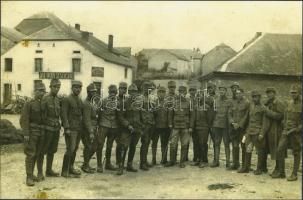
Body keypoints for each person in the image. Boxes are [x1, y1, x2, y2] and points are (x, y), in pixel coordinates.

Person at [20, 82, 46, 186]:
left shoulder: (43, 103)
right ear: (35, 91)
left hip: (41, 132)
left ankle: (35, 174)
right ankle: (29, 177)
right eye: (40, 90)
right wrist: (26, 133)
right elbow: (24, 119)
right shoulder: (29, 103)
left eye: (43, 91)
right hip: (32, 133)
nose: (42, 93)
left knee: (39, 153)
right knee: (30, 154)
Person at [275, 85, 302, 181]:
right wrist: (285, 126)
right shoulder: (289, 103)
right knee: (279, 150)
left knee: (296, 152)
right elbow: (285, 117)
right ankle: (281, 172)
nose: (293, 94)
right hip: (286, 131)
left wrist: (295, 130)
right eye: (291, 92)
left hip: (296, 133)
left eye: (295, 92)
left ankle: (294, 174)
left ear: (299, 93)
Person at [238, 90, 267, 174]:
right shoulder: (251, 106)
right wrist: (246, 131)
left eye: (256, 97)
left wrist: (262, 133)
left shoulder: (263, 108)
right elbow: (248, 119)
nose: (254, 99)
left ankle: (259, 168)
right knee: (248, 149)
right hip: (249, 131)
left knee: (259, 151)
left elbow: (265, 122)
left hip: (257, 132)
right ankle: (246, 167)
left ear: (259, 97)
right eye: (253, 97)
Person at [165, 85, 194, 168]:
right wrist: (170, 123)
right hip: (175, 126)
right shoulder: (174, 102)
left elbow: (192, 115)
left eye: (183, 91)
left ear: (186, 92)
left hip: (185, 126)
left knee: (184, 144)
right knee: (173, 144)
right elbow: (170, 114)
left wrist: (191, 126)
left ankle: (182, 162)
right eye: (180, 91)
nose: (181, 93)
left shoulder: (189, 102)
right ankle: (172, 160)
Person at [118, 84, 144, 174]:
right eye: (131, 92)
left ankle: (129, 165)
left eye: (135, 92)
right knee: (124, 147)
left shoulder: (139, 103)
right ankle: (121, 167)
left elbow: (141, 115)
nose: (133, 94)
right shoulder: (124, 103)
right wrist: (128, 125)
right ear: (128, 92)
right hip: (127, 129)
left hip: (137, 129)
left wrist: (142, 126)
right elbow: (121, 117)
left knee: (133, 147)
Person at [39, 79, 62, 179]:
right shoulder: (45, 98)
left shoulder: (57, 99)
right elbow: (42, 115)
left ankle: (49, 170)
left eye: (58, 87)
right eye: (55, 87)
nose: (57, 89)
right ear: (50, 87)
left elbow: (58, 114)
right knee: (42, 150)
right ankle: (40, 172)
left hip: (56, 128)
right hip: (47, 128)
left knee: (52, 150)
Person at [61, 80, 83, 178]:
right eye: (76, 87)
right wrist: (66, 128)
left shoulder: (79, 99)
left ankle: (71, 167)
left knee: (75, 149)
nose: (78, 89)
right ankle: (65, 171)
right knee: (70, 149)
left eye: (79, 88)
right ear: (72, 88)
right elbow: (64, 114)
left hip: (78, 128)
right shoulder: (67, 99)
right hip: (71, 129)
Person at [97, 84, 120, 172]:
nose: (113, 94)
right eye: (111, 92)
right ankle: (99, 165)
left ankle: (108, 163)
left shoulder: (118, 103)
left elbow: (119, 115)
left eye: (114, 92)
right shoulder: (103, 101)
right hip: (103, 126)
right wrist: (99, 123)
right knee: (100, 145)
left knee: (109, 146)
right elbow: (98, 112)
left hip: (113, 127)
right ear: (108, 92)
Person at [263, 87, 285, 176]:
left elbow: (280, 116)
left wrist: (268, 112)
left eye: (271, 93)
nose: (269, 95)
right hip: (271, 129)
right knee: (275, 150)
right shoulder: (269, 103)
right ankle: (277, 169)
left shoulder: (279, 102)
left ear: (274, 93)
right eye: (268, 93)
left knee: (279, 150)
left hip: (278, 130)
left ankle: (281, 171)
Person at [228, 88, 250, 170]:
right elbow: (229, 113)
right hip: (234, 128)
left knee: (243, 145)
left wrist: (240, 124)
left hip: (242, 128)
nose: (238, 95)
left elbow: (246, 116)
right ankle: (235, 163)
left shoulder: (247, 103)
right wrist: (232, 123)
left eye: (239, 93)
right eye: (236, 94)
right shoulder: (233, 102)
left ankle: (244, 165)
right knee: (235, 145)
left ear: (243, 94)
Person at [210, 84, 232, 168]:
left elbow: (230, 114)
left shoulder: (229, 102)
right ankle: (216, 161)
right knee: (216, 143)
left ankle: (228, 162)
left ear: (226, 91)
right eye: (220, 90)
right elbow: (213, 113)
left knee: (226, 144)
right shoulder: (216, 100)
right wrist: (212, 124)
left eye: (223, 90)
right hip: (216, 125)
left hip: (225, 126)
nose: (222, 91)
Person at [81, 83, 98, 173]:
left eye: (95, 91)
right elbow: (86, 119)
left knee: (94, 147)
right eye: (92, 92)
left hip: (93, 128)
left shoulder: (92, 102)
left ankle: (85, 163)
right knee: (88, 147)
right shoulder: (86, 104)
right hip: (87, 129)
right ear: (88, 92)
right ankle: (85, 165)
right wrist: (91, 132)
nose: (94, 93)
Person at [192, 88, 211, 168]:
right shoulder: (195, 107)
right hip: (196, 128)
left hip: (204, 128)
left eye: (201, 97)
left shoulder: (207, 107)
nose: (199, 98)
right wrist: (192, 127)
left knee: (202, 144)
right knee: (196, 144)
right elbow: (193, 118)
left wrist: (208, 127)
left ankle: (203, 160)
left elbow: (209, 118)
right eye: (198, 97)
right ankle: (197, 159)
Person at [140, 81, 156, 170]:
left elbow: (152, 111)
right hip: (144, 124)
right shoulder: (140, 99)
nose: (148, 90)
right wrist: (142, 124)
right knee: (144, 143)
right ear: (143, 89)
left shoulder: (150, 99)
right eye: (146, 88)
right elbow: (140, 113)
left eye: (149, 89)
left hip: (151, 123)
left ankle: (145, 161)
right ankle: (142, 163)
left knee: (147, 143)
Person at [151, 86, 170, 165]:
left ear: (165, 93)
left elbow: (170, 115)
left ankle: (164, 159)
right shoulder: (153, 102)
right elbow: (151, 113)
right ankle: (153, 159)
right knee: (154, 143)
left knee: (164, 143)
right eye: (160, 92)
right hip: (155, 127)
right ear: (157, 93)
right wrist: (155, 110)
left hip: (165, 127)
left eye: (163, 92)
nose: (161, 93)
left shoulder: (168, 103)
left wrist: (169, 125)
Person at [115, 82, 128, 166]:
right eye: (121, 88)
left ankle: (120, 162)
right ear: (118, 89)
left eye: (124, 89)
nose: (123, 90)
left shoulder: (126, 100)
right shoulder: (115, 99)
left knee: (124, 145)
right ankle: (118, 161)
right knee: (119, 145)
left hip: (124, 125)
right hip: (116, 125)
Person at [188, 83, 198, 164]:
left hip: (196, 123)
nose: (192, 92)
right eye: (191, 90)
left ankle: (195, 157)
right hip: (188, 122)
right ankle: (185, 157)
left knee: (195, 141)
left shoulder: (198, 99)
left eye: (194, 90)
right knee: (186, 141)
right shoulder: (187, 99)